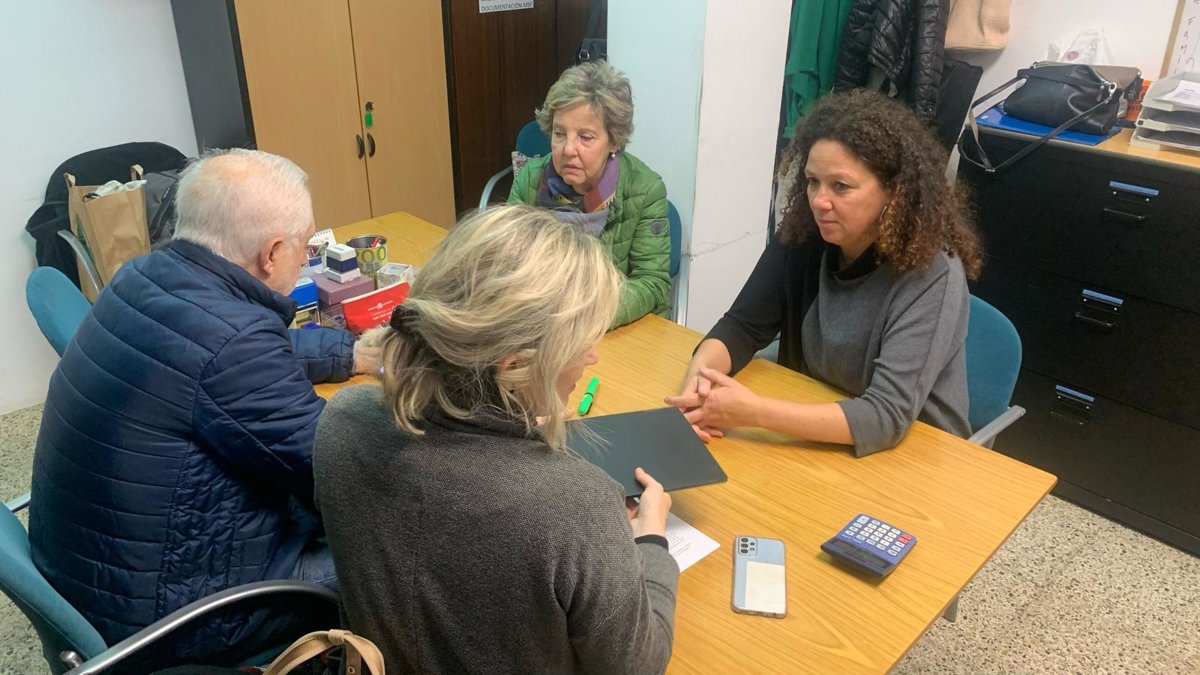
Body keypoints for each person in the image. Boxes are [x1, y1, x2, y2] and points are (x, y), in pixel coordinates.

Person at [29, 149, 369, 661]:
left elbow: (216, 352)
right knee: (410, 541)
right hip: (173, 614)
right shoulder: (235, 341)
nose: (305, 258)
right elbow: (341, 473)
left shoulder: (143, 277)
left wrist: (349, 352)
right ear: (271, 254)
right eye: (304, 245)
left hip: (99, 576)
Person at [315, 204, 679, 673]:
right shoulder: (576, 506)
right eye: (581, 343)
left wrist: (517, 421)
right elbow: (638, 665)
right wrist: (651, 543)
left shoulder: (342, 420)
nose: (592, 357)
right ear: (514, 365)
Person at [667, 89, 983, 457]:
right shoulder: (806, 234)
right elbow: (742, 327)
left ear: (893, 192)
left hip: (917, 455)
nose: (818, 201)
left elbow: (885, 415)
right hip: (821, 425)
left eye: (841, 186)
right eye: (812, 181)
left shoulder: (932, 273)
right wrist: (699, 381)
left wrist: (752, 412)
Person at [509, 60, 671, 328]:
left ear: (614, 141)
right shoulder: (530, 179)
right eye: (559, 133)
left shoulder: (645, 189)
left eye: (585, 137)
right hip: (543, 323)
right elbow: (508, 261)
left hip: (611, 325)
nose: (568, 149)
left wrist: (583, 314)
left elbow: (650, 282)